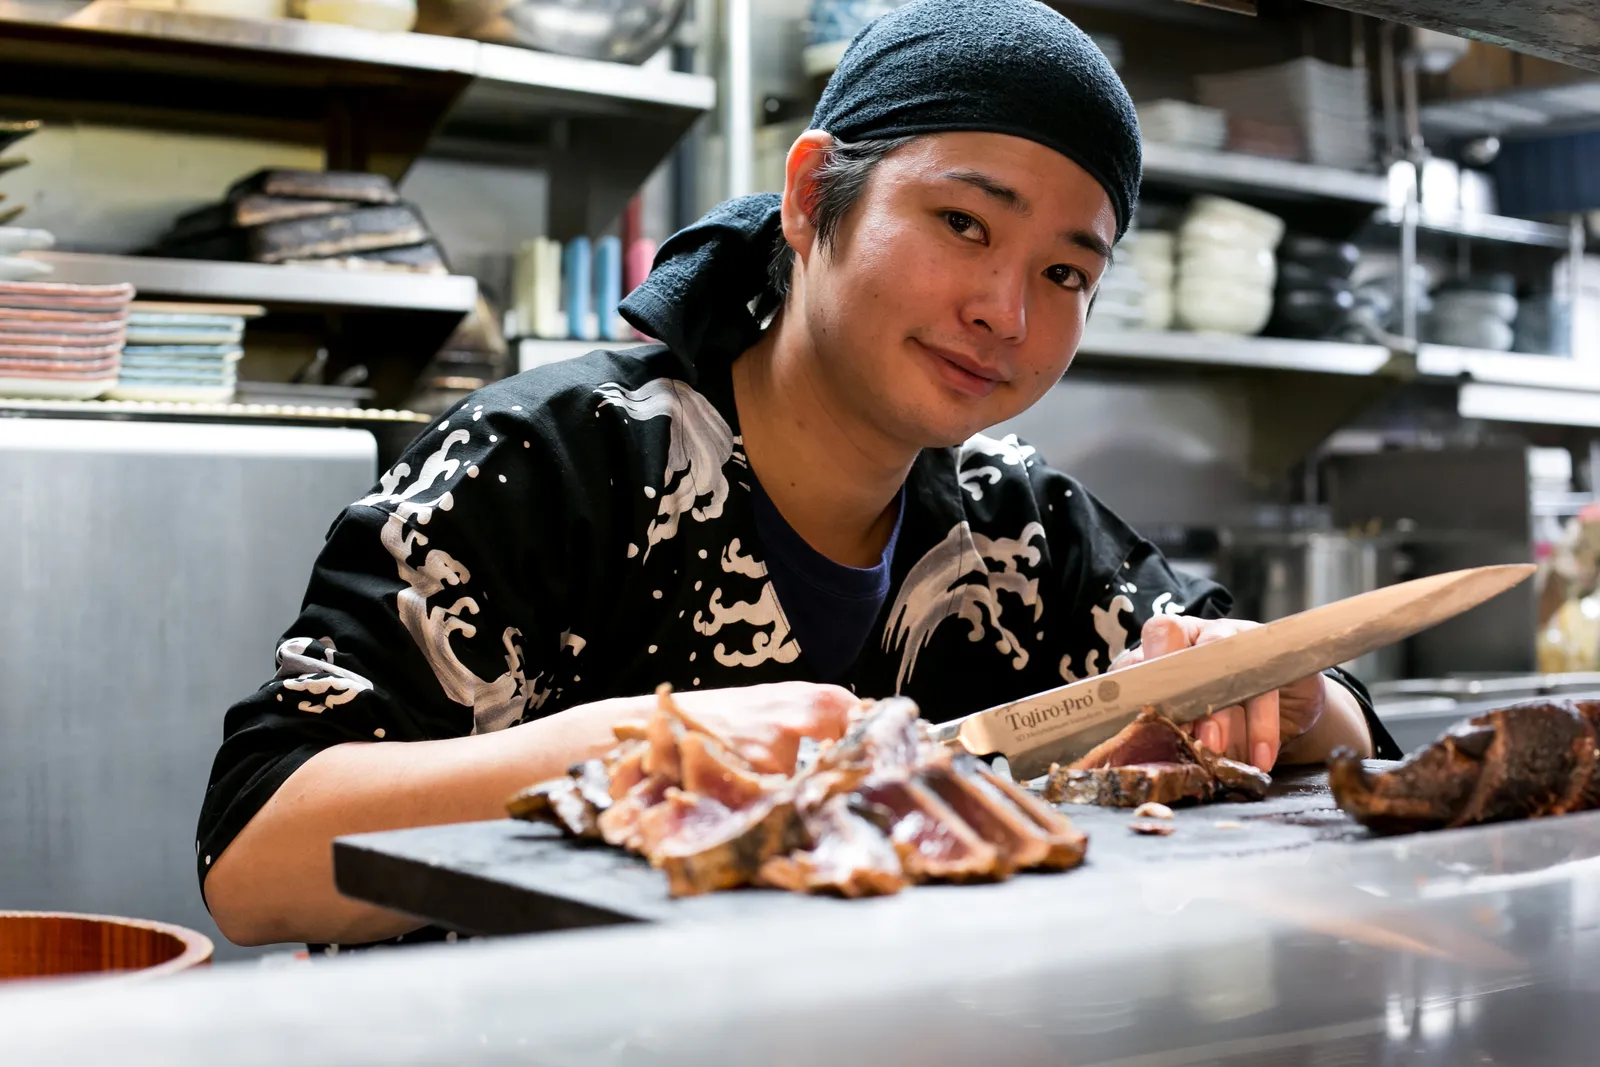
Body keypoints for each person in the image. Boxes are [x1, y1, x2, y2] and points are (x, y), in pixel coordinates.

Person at [198, 0, 1399, 949]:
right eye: (964, 225)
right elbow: (253, 855)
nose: (1004, 312)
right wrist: (651, 750)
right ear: (812, 193)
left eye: (1065, 275)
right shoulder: (554, 459)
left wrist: (1291, 698)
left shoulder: (1017, 525)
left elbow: (1313, 719)